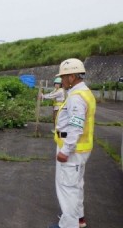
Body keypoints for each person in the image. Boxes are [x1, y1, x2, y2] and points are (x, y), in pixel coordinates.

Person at [48, 58, 96, 228]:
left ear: (72, 76)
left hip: (72, 151)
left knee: (67, 189)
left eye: (63, 76)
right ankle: (79, 219)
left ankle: (68, 225)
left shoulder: (76, 97)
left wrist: (66, 150)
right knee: (76, 185)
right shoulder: (85, 93)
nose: (61, 80)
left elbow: (76, 126)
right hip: (81, 150)